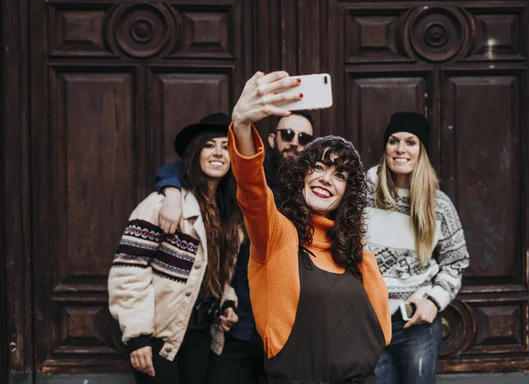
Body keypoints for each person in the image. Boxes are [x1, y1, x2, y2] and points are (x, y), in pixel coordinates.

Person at [229, 71, 391, 383]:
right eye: (317, 167)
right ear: (302, 175)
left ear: (348, 192)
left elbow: (379, 328)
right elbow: (252, 190)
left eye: (340, 175)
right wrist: (241, 125)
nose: (326, 179)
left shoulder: (354, 250)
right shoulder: (278, 234)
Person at [153, 111, 315, 384]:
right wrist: (170, 188)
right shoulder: (249, 177)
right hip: (238, 326)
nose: (294, 142)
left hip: (289, 332)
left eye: (304, 137)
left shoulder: (318, 186)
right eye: (287, 134)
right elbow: (187, 166)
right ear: (273, 139)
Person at [108, 112, 243, 384]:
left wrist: (226, 303)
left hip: (201, 334)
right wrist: (137, 336)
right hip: (159, 337)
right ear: (196, 153)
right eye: (209, 145)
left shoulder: (230, 215)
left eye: (226, 147)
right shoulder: (162, 204)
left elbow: (217, 271)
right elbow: (129, 270)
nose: (218, 153)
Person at [364, 112, 470, 384]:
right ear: (385, 148)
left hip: (416, 324)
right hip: (367, 322)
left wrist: (434, 301)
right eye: (393, 141)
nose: (400, 149)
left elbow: (455, 262)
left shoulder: (438, 205)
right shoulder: (362, 192)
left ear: (422, 151)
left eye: (411, 142)